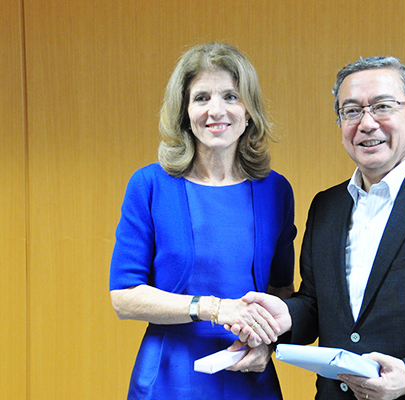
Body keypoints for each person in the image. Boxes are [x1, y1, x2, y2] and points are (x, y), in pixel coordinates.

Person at [234, 56, 405, 399]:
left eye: (383, 106)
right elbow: (317, 304)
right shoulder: (327, 206)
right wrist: (288, 316)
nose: (366, 123)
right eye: (351, 111)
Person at [109, 43, 296, 399]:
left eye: (230, 96)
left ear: (249, 110)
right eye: (201, 98)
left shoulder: (276, 190)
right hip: (170, 376)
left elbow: (281, 291)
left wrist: (266, 344)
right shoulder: (150, 185)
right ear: (184, 111)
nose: (216, 110)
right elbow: (124, 297)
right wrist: (213, 307)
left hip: (250, 371)